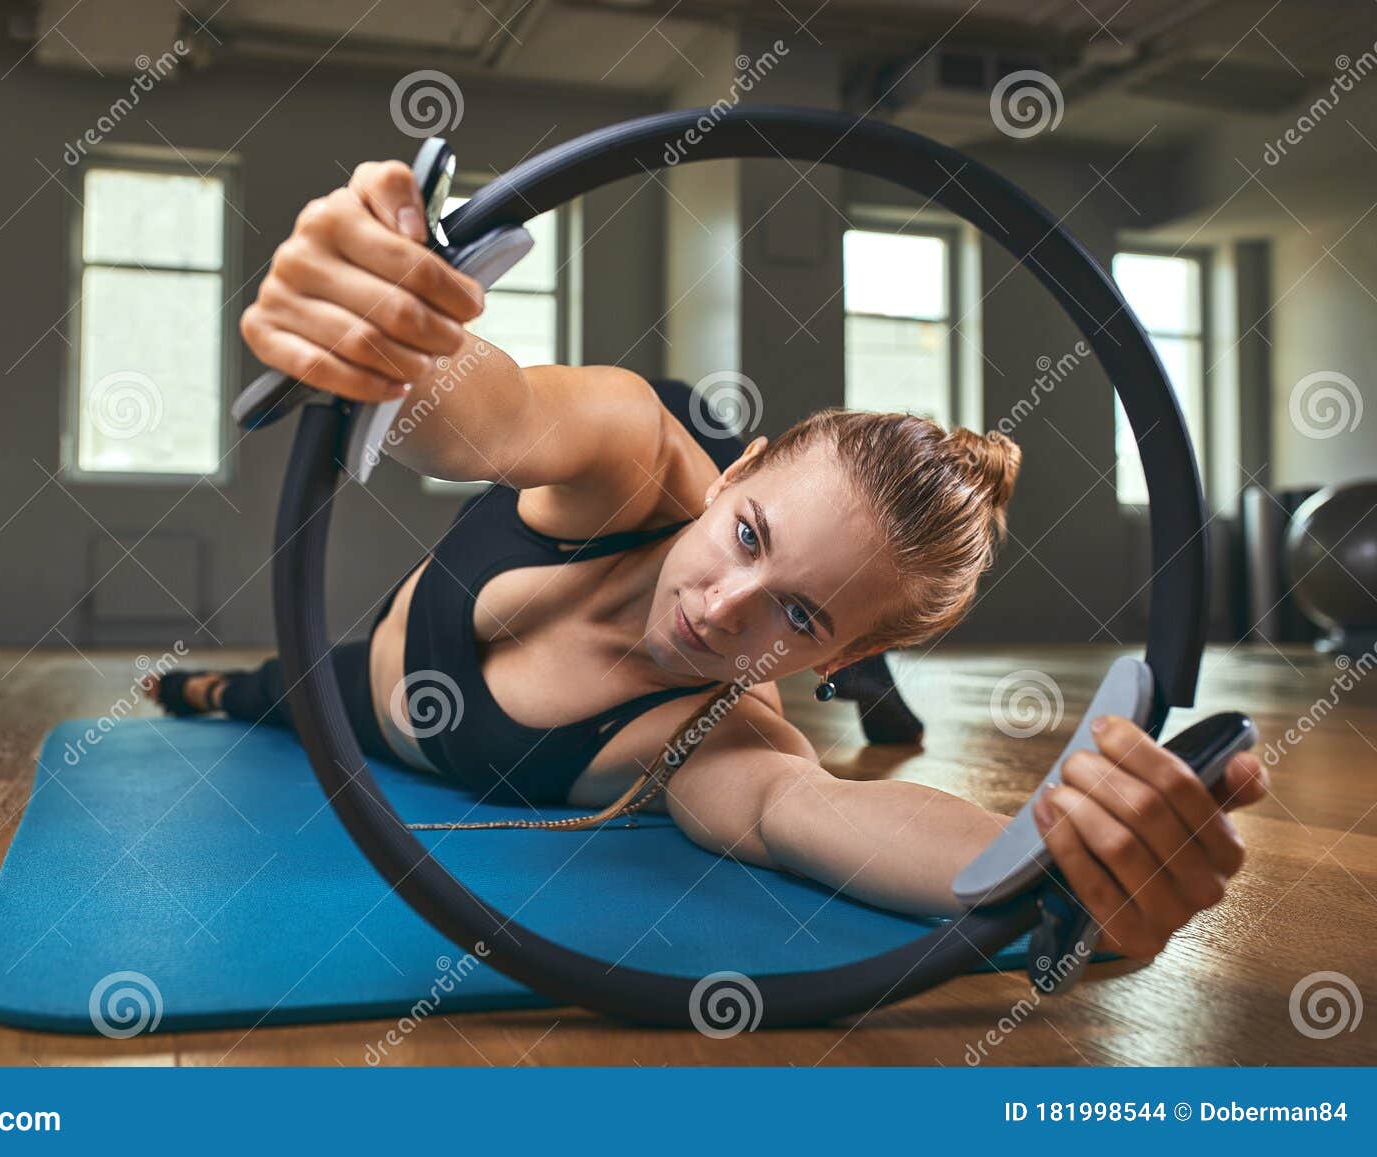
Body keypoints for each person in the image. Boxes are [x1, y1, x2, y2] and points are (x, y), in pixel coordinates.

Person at [143, 160, 1267, 961]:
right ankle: (196, 680)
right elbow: (490, 415)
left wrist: (1063, 867)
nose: (722, 611)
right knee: (252, 695)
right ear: (740, 471)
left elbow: (805, 809)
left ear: (850, 653)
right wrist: (393, 332)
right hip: (364, 673)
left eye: (800, 620)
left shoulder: (719, 737)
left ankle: (850, 648)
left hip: (421, 724)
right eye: (749, 535)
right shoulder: (627, 451)